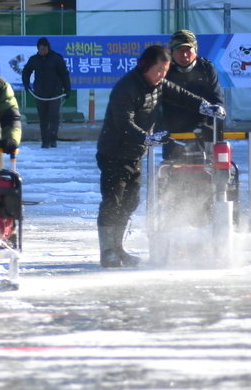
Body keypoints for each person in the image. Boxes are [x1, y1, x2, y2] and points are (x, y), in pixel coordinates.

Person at [96, 45, 226, 268]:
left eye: (165, 71)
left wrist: (206, 107)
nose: (162, 75)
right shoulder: (126, 88)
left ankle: (118, 248)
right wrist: (147, 138)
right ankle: (107, 251)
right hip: (114, 152)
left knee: (130, 201)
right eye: (158, 70)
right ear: (144, 66)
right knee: (113, 201)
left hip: (134, 154)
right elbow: (123, 123)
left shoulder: (159, 84)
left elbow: (182, 95)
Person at [161, 28, 224, 160]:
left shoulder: (207, 68)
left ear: (195, 50)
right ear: (171, 52)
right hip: (173, 128)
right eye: (179, 51)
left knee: (209, 166)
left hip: (202, 127)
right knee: (171, 169)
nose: (184, 55)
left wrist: (212, 124)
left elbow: (217, 100)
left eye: (188, 50)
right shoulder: (164, 70)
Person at [21, 36, 71, 148]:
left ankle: (53, 139)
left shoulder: (57, 58)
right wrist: (26, 84)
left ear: (47, 47)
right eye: (39, 50)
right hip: (40, 93)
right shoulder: (34, 59)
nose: (41, 52)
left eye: (43, 49)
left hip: (55, 92)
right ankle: (45, 141)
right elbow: (26, 71)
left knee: (53, 116)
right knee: (43, 117)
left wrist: (67, 89)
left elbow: (64, 74)